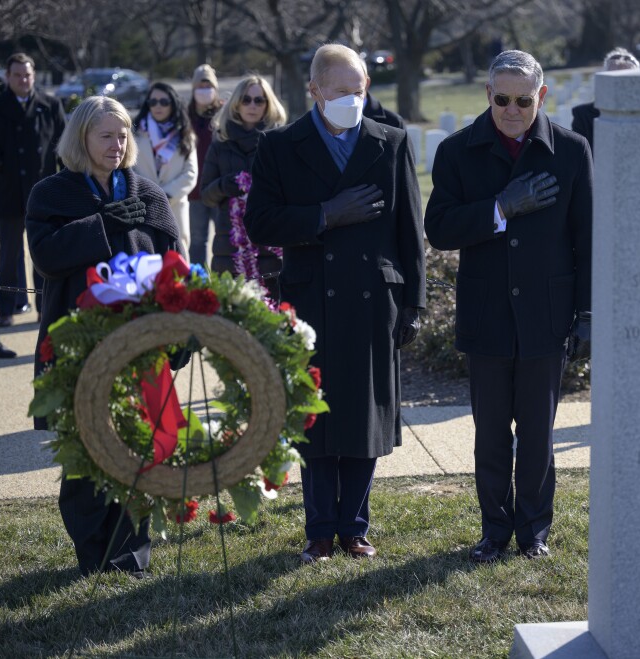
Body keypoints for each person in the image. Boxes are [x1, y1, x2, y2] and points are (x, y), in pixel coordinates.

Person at [244, 44, 425, 564]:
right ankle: (319, 530)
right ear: (315, 91)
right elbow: (260, 221)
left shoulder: (389, 140)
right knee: (318, 422)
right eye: (342, 91)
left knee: (365, 419)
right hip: (311, 301)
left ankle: (355, 528)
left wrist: (413, 301)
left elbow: (409, 229)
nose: (353, 99)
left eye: (360, 89)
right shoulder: (280, 146)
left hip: (374, 299)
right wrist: (324, 215)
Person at [425, 50, 593, 562]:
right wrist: (499, 208)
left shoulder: (569, 149)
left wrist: (587, 314)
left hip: (547, 314)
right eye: (502, 99)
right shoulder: (457, 151)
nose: (512, 109)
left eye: (524, 100)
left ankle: (534, 530)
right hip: (488, 313)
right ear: (488, 96)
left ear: (541, 97)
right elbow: (440, 228)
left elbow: (586, 239)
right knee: (491, 433)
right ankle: (494, 529)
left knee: (538, 434)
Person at [25, 95, 184, 577]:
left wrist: (179, 331)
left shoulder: (148, 194)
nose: (116, 145)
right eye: (105, 136)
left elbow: (173, 265)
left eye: (122, 136)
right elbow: (47, 256)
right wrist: (99, 224)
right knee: (87, 449)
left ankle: (131, 551)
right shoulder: (52, 193)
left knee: (137, 445)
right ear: (81, 138)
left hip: (139, 346)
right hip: (77, 347)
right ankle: (93, 552)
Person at [0, 52, 66, 327]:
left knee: (44, 257)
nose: (23, 80)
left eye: (27, 74)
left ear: (34, 75)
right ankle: (6, 312)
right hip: (8, 194)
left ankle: (45, 309)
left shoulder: (49, 105)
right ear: (8, 77)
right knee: (9, 257)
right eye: (17, 75)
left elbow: (64, 148)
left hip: (44, 195)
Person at [200, 74, 285, 293]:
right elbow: (206, 195)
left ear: (268, 104)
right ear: (236, 103)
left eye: (259, 100)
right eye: (246, 99)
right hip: (229, 248)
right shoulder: (221, 143)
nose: (252, 105)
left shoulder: (280, 142)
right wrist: (225, 185)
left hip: (271, 242)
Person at [132, 82, 197, 254]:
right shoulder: (135, 133)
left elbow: (190, 173)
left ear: (173, 104)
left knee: (178, 260)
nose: (158, 106)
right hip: (143, 205)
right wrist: (148, 195)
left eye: (164, 102)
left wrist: (166, 195)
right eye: (153, 102)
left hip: (175, 205)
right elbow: (129, 169)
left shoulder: (185, 134)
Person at [187, 64, 224, 266]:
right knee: (198, 241)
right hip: (194, 192)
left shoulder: (225, 113)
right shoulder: (185, 117)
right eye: (200, 84)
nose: (204, 88)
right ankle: (198, 284)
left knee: (224, 239)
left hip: (219, 190)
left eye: (208, 84)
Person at [571, 48, 639, 155]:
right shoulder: (583, 115)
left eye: (626, 78)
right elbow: (578, 157)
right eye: (614, 78)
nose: (619, 85)